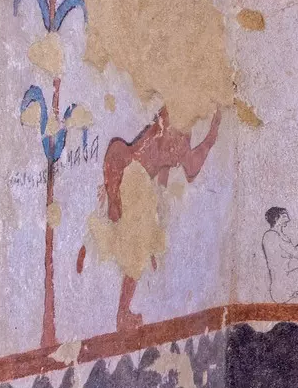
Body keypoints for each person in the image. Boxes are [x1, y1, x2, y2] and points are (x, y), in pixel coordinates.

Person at [81, 109, 222, 332]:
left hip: (130, 170)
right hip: (128, 168)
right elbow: (186, 168)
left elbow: (176, 170)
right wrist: (212, 134)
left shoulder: (178, 134)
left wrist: (213, 133)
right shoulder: (174, 125)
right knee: (132, 246)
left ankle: (122, 312)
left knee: (133, 245)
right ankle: (122, 313)